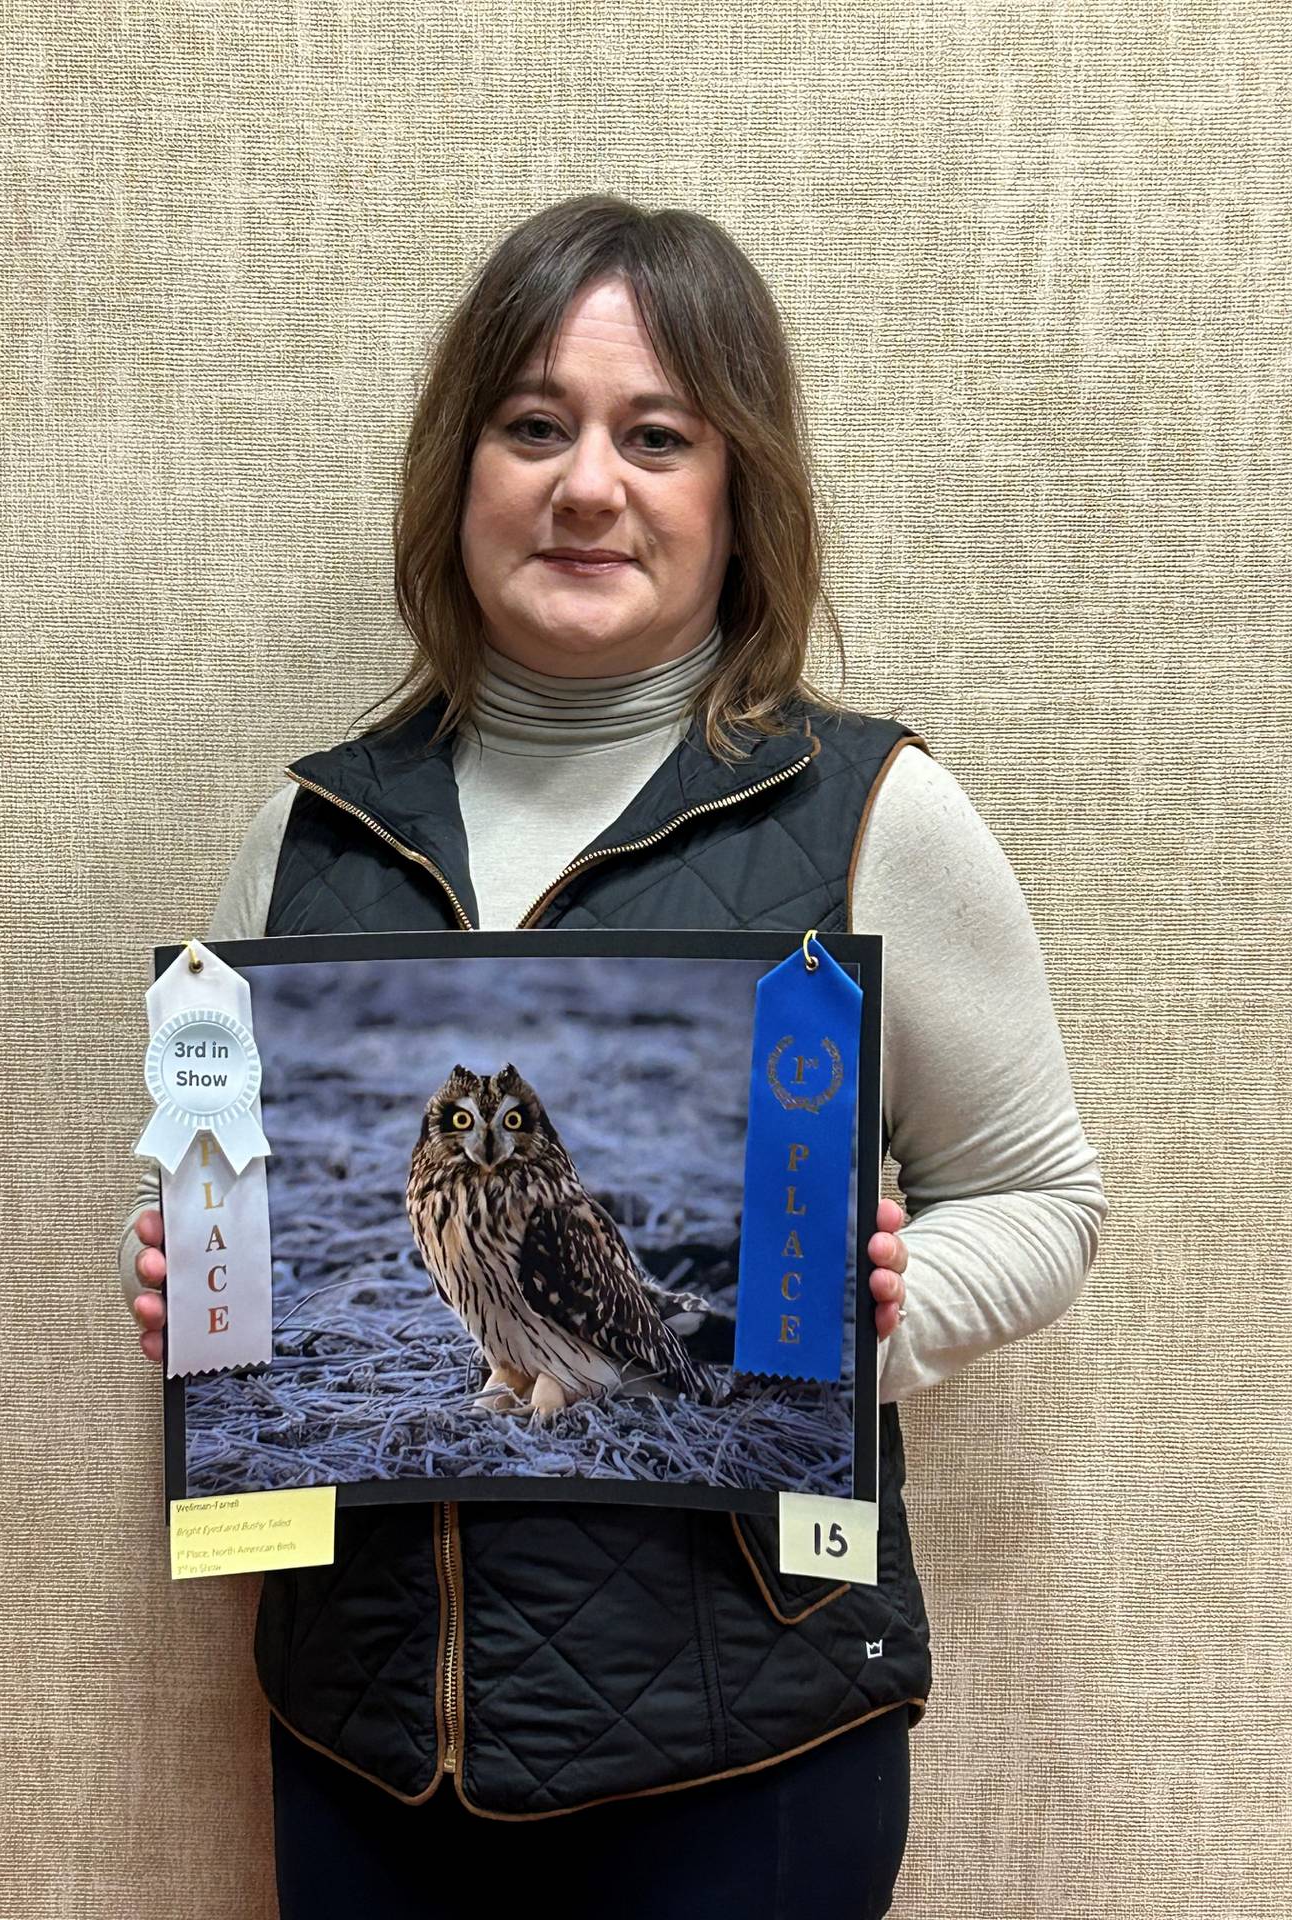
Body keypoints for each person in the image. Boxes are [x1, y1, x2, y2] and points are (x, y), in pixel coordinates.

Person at [120, 195, 1108, 1918]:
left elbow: (1040, 1198)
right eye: (533, 427)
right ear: (461, 475)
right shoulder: (311, 828)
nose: (589, 486)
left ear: (738, 496)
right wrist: (201, 1296)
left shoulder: (873, 812)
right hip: (364, 1736)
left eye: (657, 436)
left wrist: (873, 1318)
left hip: (746, 1751)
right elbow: (218, 1188)